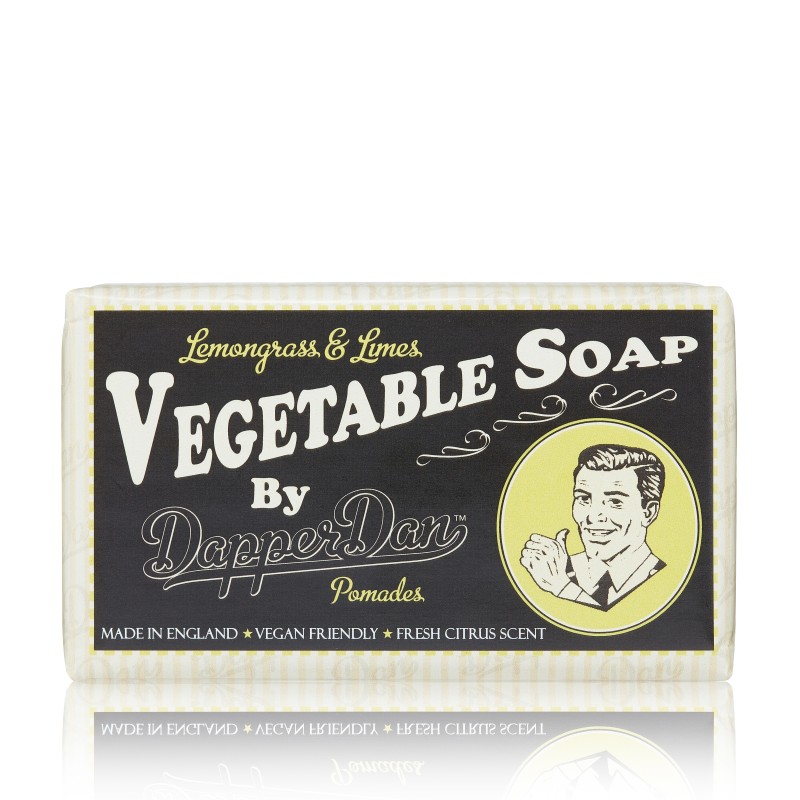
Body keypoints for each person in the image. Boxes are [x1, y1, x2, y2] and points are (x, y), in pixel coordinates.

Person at [520, 444, 666, 611]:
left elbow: (611, 621)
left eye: (615, 501)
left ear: (648, 513)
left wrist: (563, 588)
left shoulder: (665, 580)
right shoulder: (555, 569)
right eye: (584, 498)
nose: (593, 516)